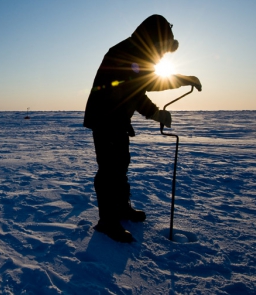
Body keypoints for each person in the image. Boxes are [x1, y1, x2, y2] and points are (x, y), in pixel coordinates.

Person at [83, 14, 202, 243]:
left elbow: (137, 90)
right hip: (105, 120)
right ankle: (107, 221)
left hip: (117, 120)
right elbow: (147, 84)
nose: (160, 55)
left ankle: (120, 208)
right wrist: (182, 80)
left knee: (120, 164)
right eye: (161, 49)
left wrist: (157, 109)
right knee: (109, 170)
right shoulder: (124, 53)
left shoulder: (136, 53)